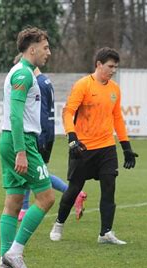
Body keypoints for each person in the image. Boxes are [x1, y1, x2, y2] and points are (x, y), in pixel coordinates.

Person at [49, 47, 138, 245]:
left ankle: (105, 232)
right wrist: (72, 139)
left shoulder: (115, 89)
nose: (113, 70)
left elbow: (117, 118)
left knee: (109, 187)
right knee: (73, 189)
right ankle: (59, 223)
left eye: (116, 67)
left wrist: (126, 148)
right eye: (110, 66)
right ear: (98, 64)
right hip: (82, 147)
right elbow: (68, 112)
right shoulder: (83, 85)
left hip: (107, 147)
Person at [0, 27, 55, 268]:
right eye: (45, 47)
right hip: (21, 141)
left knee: (13, 202)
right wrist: (22, 151)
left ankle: (4, 262)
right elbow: (16, 115)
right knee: (46, 198)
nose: (48, 52)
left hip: (9, 139)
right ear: (32, 48)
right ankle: (15, 253)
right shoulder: (23, 75)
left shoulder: (20, 71)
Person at [14, 58, 87, 222]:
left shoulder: (38, 83)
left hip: (41, 134)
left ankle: (24, 208)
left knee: (26, 169)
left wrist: (39, 137)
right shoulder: (46, 81)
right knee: (40, 172)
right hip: (48, 133)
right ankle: (75, 194)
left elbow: (40, 112)